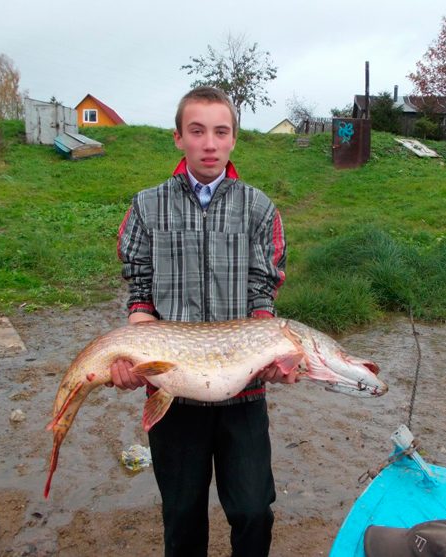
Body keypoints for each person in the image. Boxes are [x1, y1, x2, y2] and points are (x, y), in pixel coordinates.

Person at [110, 86, 294, 557]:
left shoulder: (259, 208)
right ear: (178, 138)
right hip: (171, 394)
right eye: (197, 131)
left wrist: (270, 356)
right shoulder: (146, 206)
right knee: (183, 516)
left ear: (234, 138)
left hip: (243, 394)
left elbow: (262, 293)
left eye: (220, 131)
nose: (209, 144)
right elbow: (140, 291)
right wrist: (133, 358)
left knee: (253, 511)